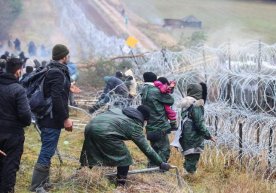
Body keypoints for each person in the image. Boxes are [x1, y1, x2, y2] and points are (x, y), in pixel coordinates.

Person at [80, 105, 171, 186]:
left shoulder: (119, 110)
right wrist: (161, 163)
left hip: (90, 127)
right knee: (125, 159)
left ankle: (81, 173)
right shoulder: (135, 125)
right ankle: (121, 185)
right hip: (106, 133)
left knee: (90, 152)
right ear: (144, 119)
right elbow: (146, 149)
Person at [29, 44, 73, 191]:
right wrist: (65, 118)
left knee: (48, 148)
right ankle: (36, 187)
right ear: (64, 56)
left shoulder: (52, 69)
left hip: (47, 117)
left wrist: (68, 87)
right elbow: (56, 97)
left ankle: (44, 182)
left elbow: (56, 92)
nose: (69, 57)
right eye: (68, 55)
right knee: (47, 150)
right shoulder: (57, 73)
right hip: (51, 118)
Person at [0, 58, 32, 193]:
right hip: (12, 137)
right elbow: (26, 117)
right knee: (9, 171)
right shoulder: (18, 90)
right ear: (18, 71)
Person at [177, 82, 216, 174]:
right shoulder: (196, 105)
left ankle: (186, 174)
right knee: (193, 158)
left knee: (189, 157)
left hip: (185, 134)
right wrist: (209, 136)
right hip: (193, 136)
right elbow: (199, 123)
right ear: (199, 92)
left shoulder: (185, 103)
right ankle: (189, 177)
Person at [141, 72, 174, 166]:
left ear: (144, 80)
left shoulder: (143, 90)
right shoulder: (156, 91)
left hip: (150, 125)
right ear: (155, 80)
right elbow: (170, 100)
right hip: (160, 125)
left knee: (154, 149)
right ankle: (160, 170)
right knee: (164, 149)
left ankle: (151, 168)